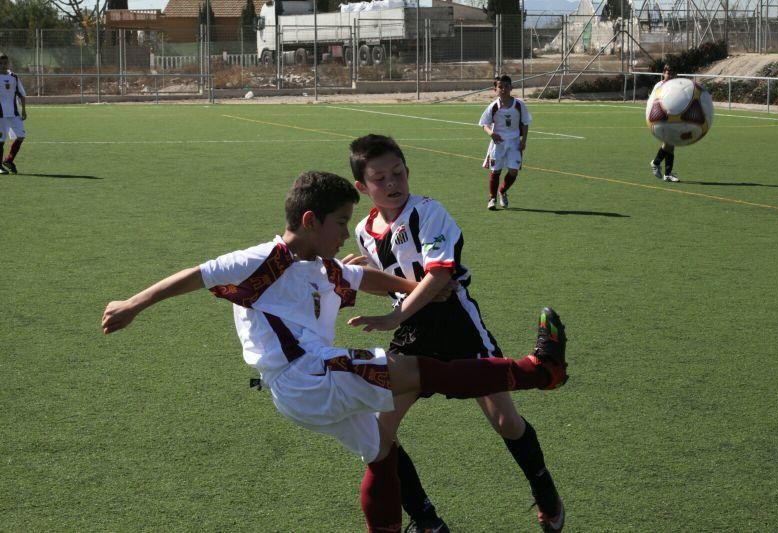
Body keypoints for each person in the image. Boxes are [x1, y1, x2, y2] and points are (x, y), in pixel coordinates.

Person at [101, 170, 569, 533]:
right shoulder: (264, 260)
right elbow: (196, 273)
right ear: (310, 221)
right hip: (306, 376)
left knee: (383, 451)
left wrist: (418, 287)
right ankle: (539, 371)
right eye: (342, 222)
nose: (348, 234)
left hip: (304, 388)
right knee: (420, 372)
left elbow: (367, 279)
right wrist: (132, 304)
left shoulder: (321, 265)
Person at [348, 134, 567, 533]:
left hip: (456, 324)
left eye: (398, 173)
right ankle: (427, 520)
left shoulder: (428, 212)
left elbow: (441, 277)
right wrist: (361, 279)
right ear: (363, 188)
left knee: (506, 422)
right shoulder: (364, 230)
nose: (392, 183)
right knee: (377, 436)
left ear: (408, 171)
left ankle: (547, 495)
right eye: (380, 178)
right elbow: (399, 282)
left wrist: (394, 314)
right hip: (411, 333)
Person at [479, 74, 532, 210]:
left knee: (513, 171)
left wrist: (523, 141)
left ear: (511, 88)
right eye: (500, 87)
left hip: (514, 142)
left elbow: (525, 123)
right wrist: (492, 134)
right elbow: (484, 124)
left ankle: (502, 191)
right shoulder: (493, 107)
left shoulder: (519, 105)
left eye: (506, 86)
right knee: (495, 171)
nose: (503, 89)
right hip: (498, 144)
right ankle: (492, 199)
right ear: (495, 89)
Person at [649, 64, 680, 183]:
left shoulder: (676, 86)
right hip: (661, 119)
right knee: (668, 144)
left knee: (671, 146)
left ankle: (667, 174)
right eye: (667, 72)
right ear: (663, 74)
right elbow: (654, 101)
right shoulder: (660, 85)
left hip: (671, 119)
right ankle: (656, 162)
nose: (669, 75)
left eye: (671, 73)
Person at [0, 52, 27, 175]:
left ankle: (9, 160)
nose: (3, 65)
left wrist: (23, 110)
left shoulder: (14, 77)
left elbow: (21, 94)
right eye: (1, 63)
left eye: (5, 62)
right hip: (1, 115)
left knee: (20, 136)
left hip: (14, 113)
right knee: (1, 140)